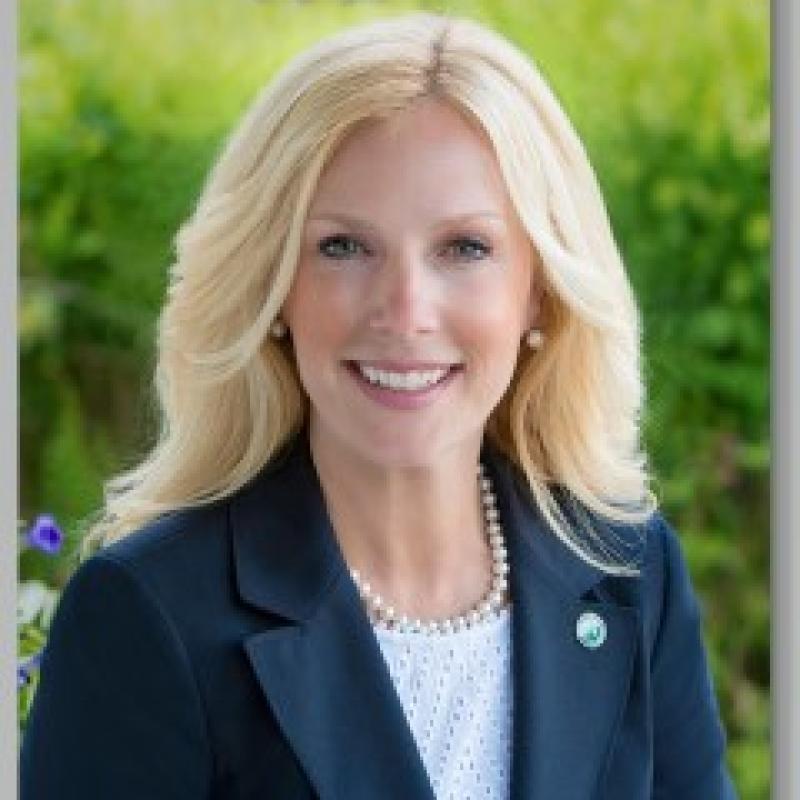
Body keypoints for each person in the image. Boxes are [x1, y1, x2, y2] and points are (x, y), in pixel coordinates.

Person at [20, 12, 737, 799]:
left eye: (464, 248)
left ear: (539, 292)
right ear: (275, 287)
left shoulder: (631, 573)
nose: (404, 312)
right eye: (344, 247)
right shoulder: (147, 613)